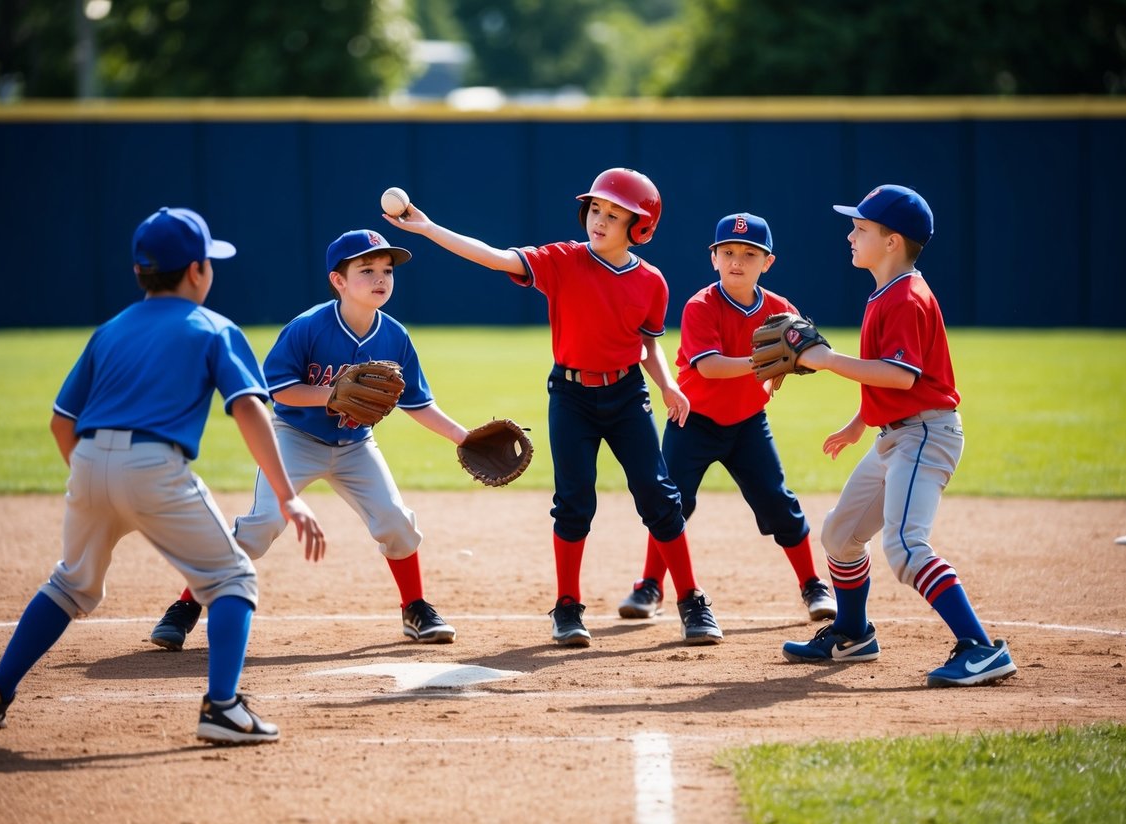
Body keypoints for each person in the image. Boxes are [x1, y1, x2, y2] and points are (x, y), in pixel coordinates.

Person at [0, 207, 325, 745]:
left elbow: (62, 421)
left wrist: (94, 480)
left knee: (70, 584)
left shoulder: (110, 330)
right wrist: (289, 498)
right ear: (197, 271)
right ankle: (222, 708)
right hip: (154, 467)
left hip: (87, 463)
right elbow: (249, 409)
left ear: (138, 272)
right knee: (232, 581)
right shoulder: (213, 327)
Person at [386, 168, 723, 648]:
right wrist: (429, 228)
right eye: (596, 209)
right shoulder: (562, 260)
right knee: (573, 502)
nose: (599, 219)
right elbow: (494, 257)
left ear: (640, 226)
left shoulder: (651, 282)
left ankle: (692, 600)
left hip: (628, 396)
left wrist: (667, 384)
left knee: (659, 497)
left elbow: (648, 344)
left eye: (614, 213)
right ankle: (567, 607)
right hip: (571, 397)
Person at [147, 229, 467, 652]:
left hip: (356, 445)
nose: (380, 279)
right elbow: (277, 389)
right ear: (338, 281)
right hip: (296, 439)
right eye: (366, 269)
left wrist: (464, 437)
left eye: (387, 270)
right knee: (261, 528)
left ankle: (415, 607)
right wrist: (332, 394)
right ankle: (186, 605)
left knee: (396, 521)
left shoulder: (395, 336)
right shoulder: (308, 327)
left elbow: (418, 402)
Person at [780, 185, 1017, 687]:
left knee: (906, 547)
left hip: (926, 435)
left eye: (861, 228)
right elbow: (887, 378)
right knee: (840, 535)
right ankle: (852, 632)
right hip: (896, 437)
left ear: (893, 242)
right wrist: (859, 422)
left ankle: (980, 648)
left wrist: (824, 359)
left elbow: (903, 377)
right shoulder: (886, 292)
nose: (850, 235)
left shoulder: (907, 296)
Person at [617, 213, 837, 623]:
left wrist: (789, 366)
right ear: (713, 258)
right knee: (670, 505)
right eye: (728, 251)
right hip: (693, 423)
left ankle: (813, 585)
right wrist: (768, 362)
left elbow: (804, 351)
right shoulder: (702, 305)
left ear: (767, 262)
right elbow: (710, 367)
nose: (737, 260)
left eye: (750, 253)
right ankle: (649, 585)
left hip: (748, 424)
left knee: (778, 502)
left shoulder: (780, 310)